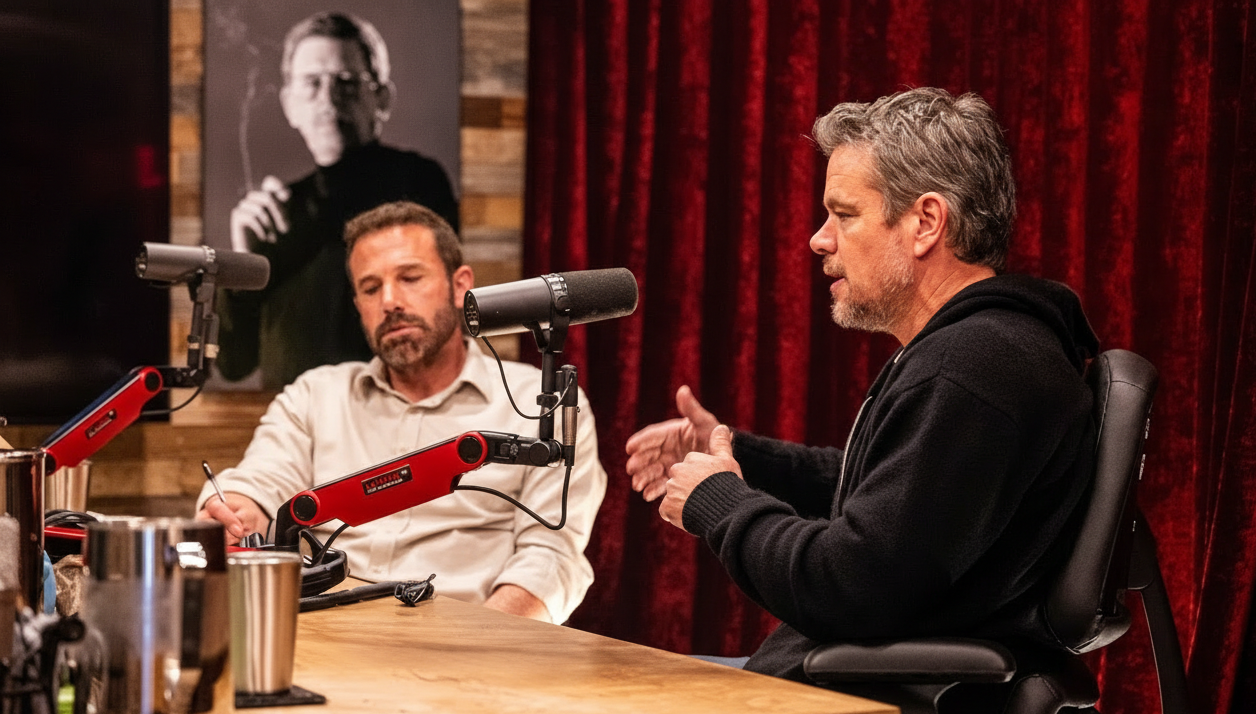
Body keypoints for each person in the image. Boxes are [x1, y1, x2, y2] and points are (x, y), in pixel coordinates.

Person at [626, 88, 1099, 690]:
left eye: (844, 215)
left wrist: (719, 502)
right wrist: (739, 455)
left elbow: (847, 587)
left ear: (925, 222)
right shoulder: (986, 354)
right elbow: (891, 502)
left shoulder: (974, 369)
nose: (819, 240)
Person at [198, 202, 606, 623]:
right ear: (358, 304)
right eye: (370, 288)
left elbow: (550, 557)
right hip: (327, 632)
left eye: (410, 278)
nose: (390, 301)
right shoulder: (315, 395)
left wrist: (480, 645)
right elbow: (261, 481)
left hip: (466, 636)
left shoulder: (541, 405)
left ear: (460, 286)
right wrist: (236, 510)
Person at [217, 11, 460, 390]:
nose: (328, 99)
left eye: (346, 83)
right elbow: (233, 364)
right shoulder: (281, 212)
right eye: (311, 83)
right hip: (295, 418)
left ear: (381, 99)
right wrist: (243, 265)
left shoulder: (417, 182)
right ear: (290, 105)